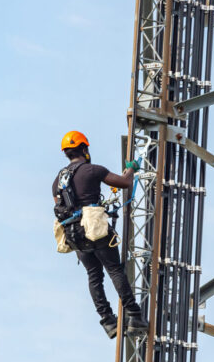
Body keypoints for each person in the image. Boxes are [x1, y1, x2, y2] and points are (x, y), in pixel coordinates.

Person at [52, 130, 149, 339]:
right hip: (95, 230)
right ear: (85, 149)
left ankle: (108, 321)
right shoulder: (93, 170)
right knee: (114, 269)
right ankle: (134, 315)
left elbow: (60, 206)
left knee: (94, 275)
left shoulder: (58, 181)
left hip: (74, 235)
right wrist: (130, 170)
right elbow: (124, 183)